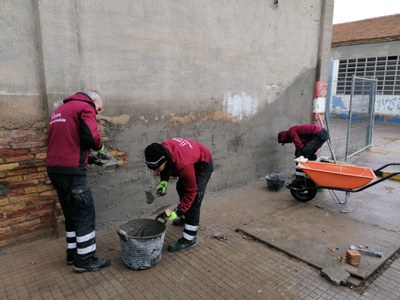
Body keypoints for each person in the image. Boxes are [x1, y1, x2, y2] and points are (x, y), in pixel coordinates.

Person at [46, 91, 111, 273]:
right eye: (99, 108)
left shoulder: (59, 111)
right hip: (73, 172)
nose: (97, 112)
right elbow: (91, 136)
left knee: (71, 212)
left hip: (55, 169)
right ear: (94, 100)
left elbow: (67, 142)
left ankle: (73, 254)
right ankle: (85, 261)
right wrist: (101, 148)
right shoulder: (85, 107)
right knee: (85, 213)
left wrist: (88, 159)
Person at [144, 137, 213, 252]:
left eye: (156, 168)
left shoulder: (183, 164)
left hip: (202, 164)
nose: (155, 171)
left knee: (194, 200)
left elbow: (192, 191)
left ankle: (189, 239)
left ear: (164, 160)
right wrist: (164, 182)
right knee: (180, 187)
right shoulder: (160, 149)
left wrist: (178, 212)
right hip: (190, 159)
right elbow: (165, 167)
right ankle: (186, 217)